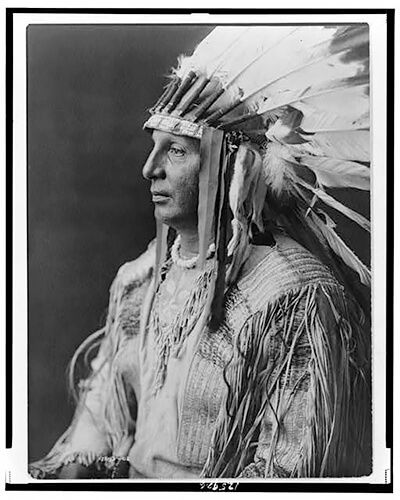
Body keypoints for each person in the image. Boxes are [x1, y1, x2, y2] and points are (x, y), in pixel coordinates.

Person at [29, 24, 372, 479]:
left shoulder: (295, 298)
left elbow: (295, 471)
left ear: (230, 164)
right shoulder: (141, 281)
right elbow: (101, 413)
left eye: (176, 152)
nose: (149, 168)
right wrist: (80, 464)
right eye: (154, 148)